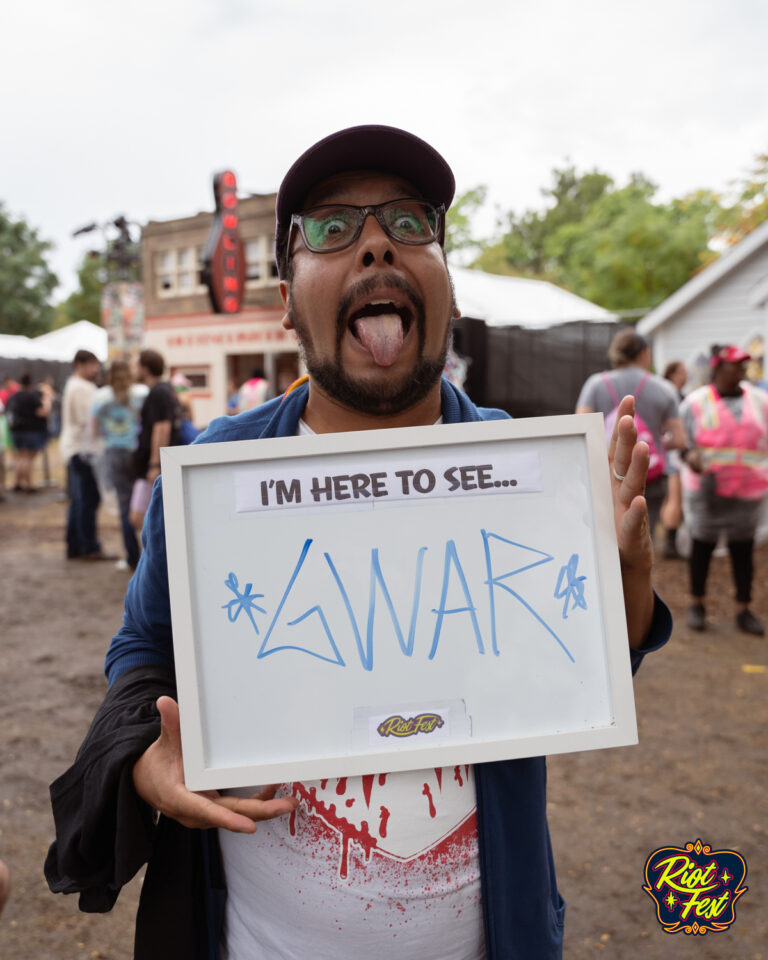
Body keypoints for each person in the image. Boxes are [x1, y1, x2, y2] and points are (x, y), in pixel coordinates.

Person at [46, 125, 671, 960]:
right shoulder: (219, 471)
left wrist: (623, 588)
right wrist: (143, 762)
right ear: (285, 295)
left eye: (410, 223)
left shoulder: (528, 471)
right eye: (333, 228)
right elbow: (143, 648)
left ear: (446, 282)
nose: (377, 244)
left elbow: (573, 673)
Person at [680, 345, 768, 635]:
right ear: (718, 368)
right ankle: (697, 604)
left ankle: (744, 609)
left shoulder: (760, 400)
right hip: (707, 492)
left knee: (742, 551)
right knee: (702, 547)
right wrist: (687, 456)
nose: (742, 370)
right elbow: (680, 440)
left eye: (744, 365)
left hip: (747, 491)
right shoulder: (695, 402)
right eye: (735, 365)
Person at [576, 329, 686, 541]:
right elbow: (680, 440)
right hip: (649, 476)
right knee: (644, 539)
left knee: (605, 538)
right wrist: (650, 442)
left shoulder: (596, 384)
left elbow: (581, 429)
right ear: (644, 353)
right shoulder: (664, 389)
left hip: (605, 473)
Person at [92, 361, 148, 571]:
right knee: (145, 503)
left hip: (114, 452)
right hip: (137, 452)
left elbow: (94, 429)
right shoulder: (141, 393)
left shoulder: (100, 397)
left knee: (125, 505)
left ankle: (132, 557)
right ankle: (150, 553)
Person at [60, 350, 113, 561]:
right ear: (79, 365)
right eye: (92, 365)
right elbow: (91, 420)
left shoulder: (73, 384)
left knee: (79, 500)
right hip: (85, 450)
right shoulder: (82, 388)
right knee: (87, 500)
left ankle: (75, 545)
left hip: (75, 448)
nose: (96, 369)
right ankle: (88, 546)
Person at [130, 349, 181, 529]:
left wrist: (154, 464)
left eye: (136, 365)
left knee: (139, 518)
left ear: (145, 368)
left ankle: (156, 556)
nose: (133, 369)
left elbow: (162, 428)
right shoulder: (165, 390)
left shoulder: (158, 392)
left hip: (153, 466)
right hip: (157, 464)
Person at [660, 360, 688, 559]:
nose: (686, 375)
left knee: (671, 498)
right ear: (673, 374)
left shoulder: (664, 392)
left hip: (667, 451)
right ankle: (670, 544)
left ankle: (670, 541)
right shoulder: (671, 394)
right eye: (683, 372)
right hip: (673, 452)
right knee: (674, 497)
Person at [5, 372, 51, 492]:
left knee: (20, 457)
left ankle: (17, 482)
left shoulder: (14, 397)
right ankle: (29, 484)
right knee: (28, 459)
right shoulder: (33, 396)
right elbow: (41, 412)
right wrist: (47, 399)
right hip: (32, 431)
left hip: (16, 431)